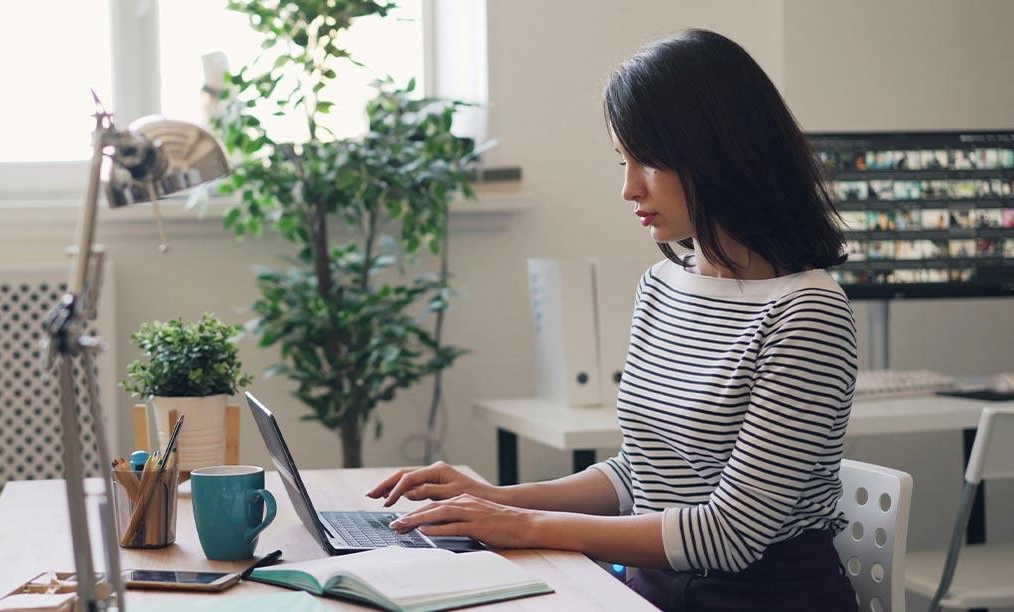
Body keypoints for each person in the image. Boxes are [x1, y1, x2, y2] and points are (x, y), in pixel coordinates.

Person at [368, 29, 859, 612]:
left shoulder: (808, 312)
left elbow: (732, 534)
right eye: (623, 161)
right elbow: (640, 474)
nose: (628, 188)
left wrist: (521, 524)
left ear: (720, 153)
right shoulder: (662, 287)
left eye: (647, 161)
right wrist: (493, 498)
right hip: (647, 590)